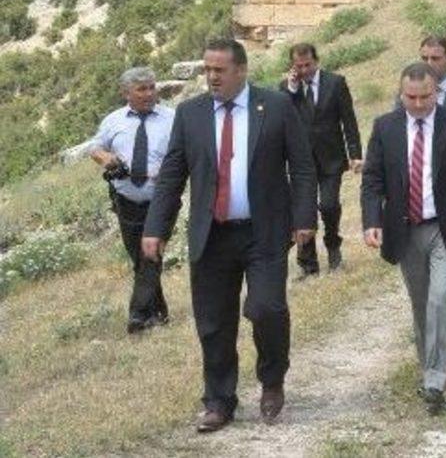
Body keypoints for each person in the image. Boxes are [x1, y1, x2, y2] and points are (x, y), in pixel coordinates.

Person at [142, 38, 317, 433]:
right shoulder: (190, 114)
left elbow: (303, 167)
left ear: (241, 70)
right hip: (212, 235)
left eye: (219, 70)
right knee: (214, 322)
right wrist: (155, 228)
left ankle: (272, 379)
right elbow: (172, 175)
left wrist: (305, 217)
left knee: (267, 308)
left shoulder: (276, 106)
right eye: (207, 70)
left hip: (264, 232)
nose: (212, 77)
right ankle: (219, 401)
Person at [361, 62, 446, 415]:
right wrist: (372, 220)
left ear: (436, 93)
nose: (418, 104)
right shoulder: (385, 127)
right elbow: (372, 179)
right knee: (421, 303)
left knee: (441, 297)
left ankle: (436, 379)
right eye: (411, 98)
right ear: (401, 94)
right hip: (405, 229)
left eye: (425, 97)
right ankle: (428, 365)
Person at [89, 67, 176, 333]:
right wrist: (106, 158)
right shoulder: (113, 121)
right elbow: (95, 147)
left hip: (162, 199)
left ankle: (138, 315)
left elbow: (186, 152)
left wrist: (170, 170)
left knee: (151, 252)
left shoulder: (172, 118)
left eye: (152, 87)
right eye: (141, 89)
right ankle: (158, 312)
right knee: (140, 258)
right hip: (125, 201)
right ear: (126, 93)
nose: (149, 94)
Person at [281, 43, 362, 278]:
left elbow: (349, 120)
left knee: (328, 205)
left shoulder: (335, 83)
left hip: (331, 157)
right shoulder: (287, 89)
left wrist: (355, 154)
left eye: (308, 65)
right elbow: (281, 115)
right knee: (303, 211)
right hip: (300, 162)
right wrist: (292, 88)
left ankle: (333, 244)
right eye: (299, 66)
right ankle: (308, 265)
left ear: (316, 61)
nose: (304, 70)